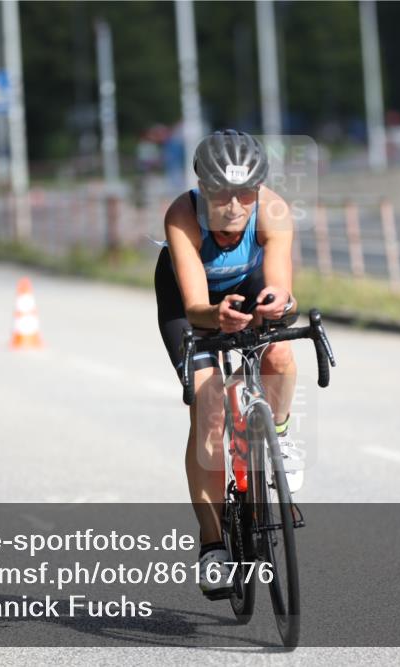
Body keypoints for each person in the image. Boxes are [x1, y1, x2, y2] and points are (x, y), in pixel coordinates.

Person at [154, 130, 301, 597]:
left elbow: (279, 283)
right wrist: (215, 317)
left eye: (245, 193)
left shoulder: (273, 212)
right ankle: (213, 544)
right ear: (203, 187)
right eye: (221, 193)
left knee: (280, 351)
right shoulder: (182, 215)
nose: (235, 205)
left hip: (249, 283)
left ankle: (277, 433)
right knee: (209, 405)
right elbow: (197, 303)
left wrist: (277, 302)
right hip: (189, 303)